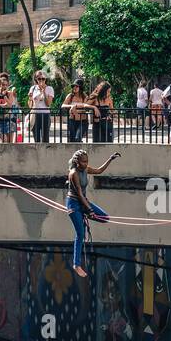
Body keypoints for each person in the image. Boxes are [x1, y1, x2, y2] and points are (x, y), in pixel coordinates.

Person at [66, 148, 119, 278]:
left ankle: (85, 215)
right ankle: (76, 265)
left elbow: (99, 171)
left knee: (105, 217)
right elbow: (79, 193)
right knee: (80, 234)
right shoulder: (73, 174)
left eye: (86, 161)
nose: (85, 164)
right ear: (77, 162)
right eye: (83, 162)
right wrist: (89, 209)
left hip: (84, 202)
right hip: (74, 204)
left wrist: (110, 159)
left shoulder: (85, 169)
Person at [29, 71, 55, 143]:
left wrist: (43, 92)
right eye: (39, 79)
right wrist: (31, 99)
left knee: (45, 138)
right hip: (35, 114)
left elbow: (48, 104)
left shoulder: (49, 88)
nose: (41, 80)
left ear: (45, 79)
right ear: (36, 79)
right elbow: (29, 105)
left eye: (43, 79)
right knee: (36, 137)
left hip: (45, 114)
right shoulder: (33, 88)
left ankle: (45, 153)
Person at [0, 77, 17, 143]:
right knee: (4, 140)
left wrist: (4, 96)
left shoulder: (10, 93)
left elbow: (10, 105)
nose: (5, 86)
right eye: (3, 85)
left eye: (6, 85)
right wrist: (2, 106)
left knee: (10, 143)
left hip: (9, 119)